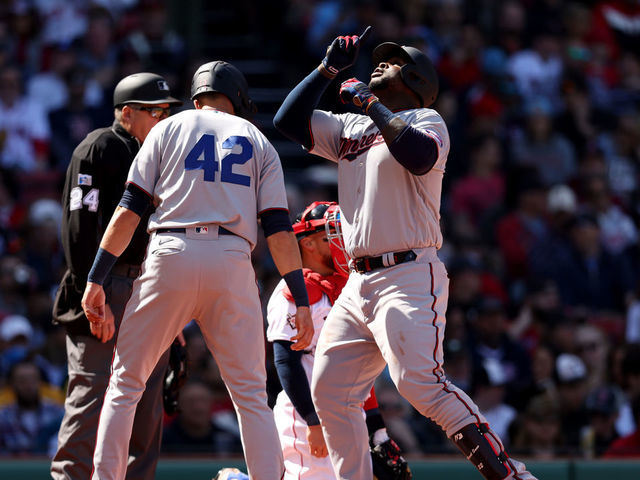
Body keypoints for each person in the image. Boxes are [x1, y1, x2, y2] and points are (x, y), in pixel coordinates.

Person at [273, 27, 538, 480]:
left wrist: (369, 103)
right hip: (357, 282)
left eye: (392, 61)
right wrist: (327, 70)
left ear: (415, 81)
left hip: (408, 273)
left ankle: (510, 474)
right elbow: (287, 121)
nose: (379, 64)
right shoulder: (351, 127)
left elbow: (416, 156)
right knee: (331, 390)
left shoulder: (427, 120)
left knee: (421, 385)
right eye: (378, 59)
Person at [81, 60, 313, 480]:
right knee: (250, 397)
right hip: (231, 258)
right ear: (238, 98)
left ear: (196, 96)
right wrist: (300, 297)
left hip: (172, 249)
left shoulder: (167, 128)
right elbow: (278, 228)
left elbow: (130, 208)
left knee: (126, 385)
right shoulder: (257, 139)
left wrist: (97, 276)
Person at [51, 72, 182, 480]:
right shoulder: (98, 147)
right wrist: (96, 289)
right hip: (104, 284)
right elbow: (79, 227)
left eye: (166, 110)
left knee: (145, 401)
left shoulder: (161, 153)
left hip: (151, 283)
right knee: (91, 393)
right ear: (128, 113)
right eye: (155, 111)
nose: (164, 117)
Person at [266, 201, 409, 480]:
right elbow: (286, 362)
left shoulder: (350, 288)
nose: (341, 242)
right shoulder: (294, 290)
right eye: (330, 236)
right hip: (304, 410)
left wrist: (377, 430)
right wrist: (313, 422)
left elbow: (358, 370)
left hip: (346, 411)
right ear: (307, 244)